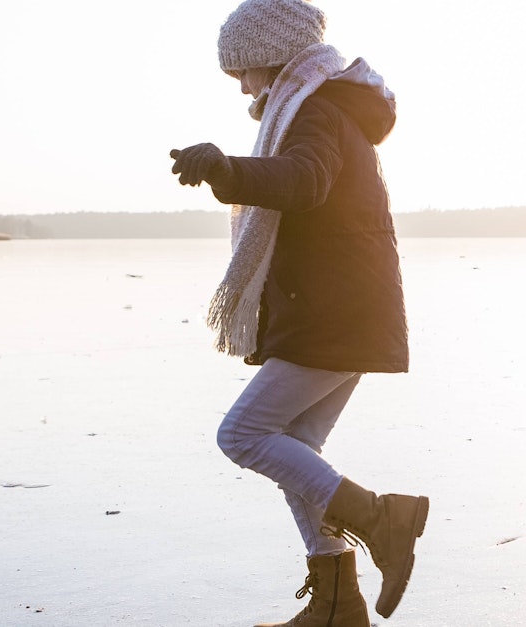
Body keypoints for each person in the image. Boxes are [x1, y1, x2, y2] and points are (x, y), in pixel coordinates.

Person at [167, 1, 427, 624]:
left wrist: (229, 170)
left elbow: (304, 181)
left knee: (244, 435)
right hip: (340, 309)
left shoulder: (319, 110)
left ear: (273, 58)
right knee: (298, 449)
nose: (241, 87)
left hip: (334, 314)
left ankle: (379, 517)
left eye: (244, 72)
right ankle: (339, 604)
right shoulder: (320, 107)